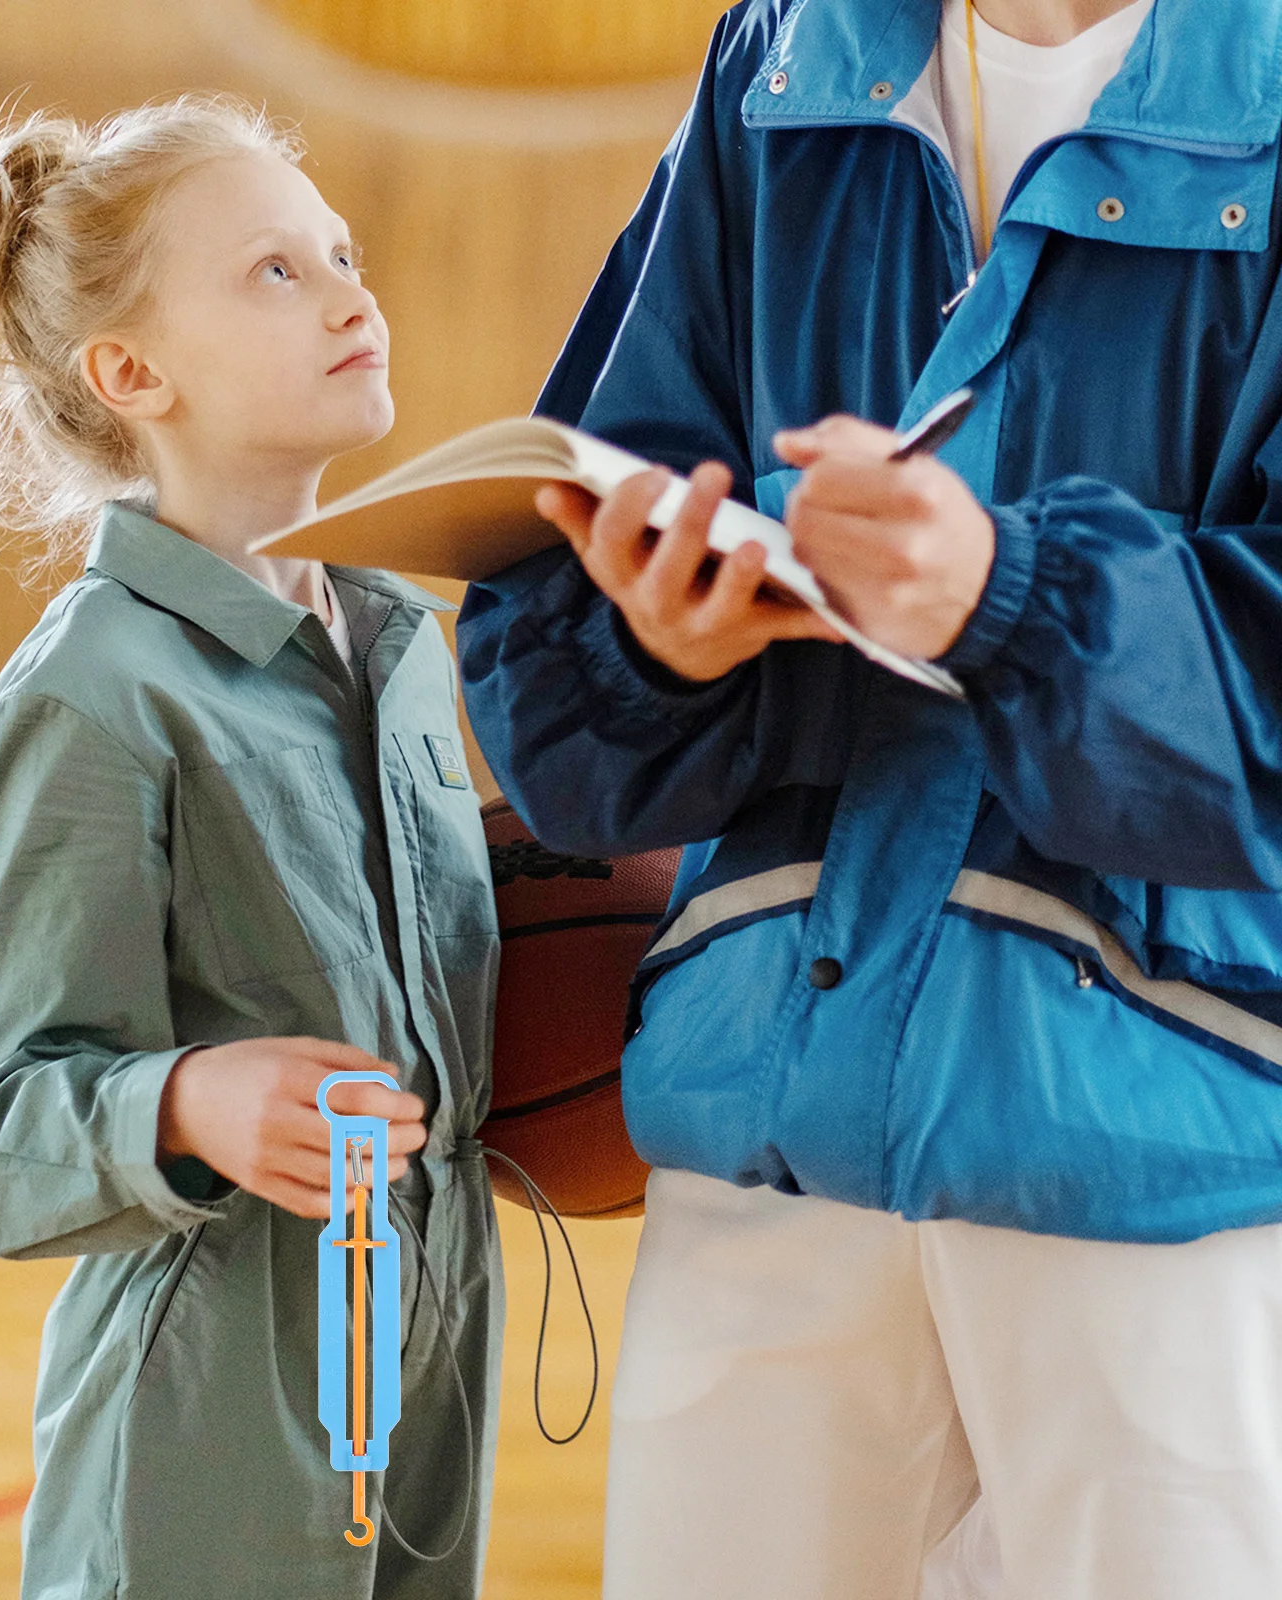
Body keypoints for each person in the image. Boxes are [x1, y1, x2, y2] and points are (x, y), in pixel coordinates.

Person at [457, 0, 1282, 1596]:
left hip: (1160, 1148)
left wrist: (1011, 595)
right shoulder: (781, 57)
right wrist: (659, 639)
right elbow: (556, 606)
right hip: (778, 1126)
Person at [0, 96, 502, 1599]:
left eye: (341, 252)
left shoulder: (405, 640)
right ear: (131, 372)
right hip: (210, 1395)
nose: (354, 293)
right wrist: (187, 1097)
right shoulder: (94, 690)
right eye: (275, 271)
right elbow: (0, 1141)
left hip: (434, 1344)